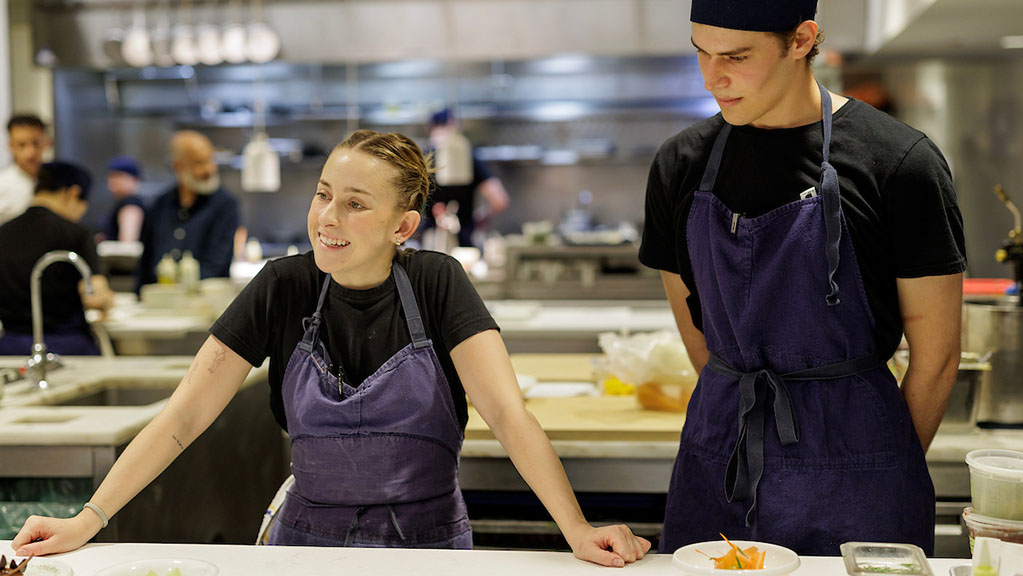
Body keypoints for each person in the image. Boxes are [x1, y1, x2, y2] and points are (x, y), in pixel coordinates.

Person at [12, 130, 651, 565]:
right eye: (322, 195)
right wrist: (86, 521)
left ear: (403, 226)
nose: (327, 218)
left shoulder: (437, 283)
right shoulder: (281, 286)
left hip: (428, 549)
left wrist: (576, 529)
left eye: (354, 205)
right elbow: (183, 418)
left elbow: (510, 417)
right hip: (303, 547)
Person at [639, 0, 966, 557]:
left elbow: (936, 356)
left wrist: (876, 461)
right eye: (702, 53)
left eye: (736, 57)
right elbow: (699, 334)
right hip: (719, 459)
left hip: (859, 473)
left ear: (800, 40)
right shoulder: (680, 165)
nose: (713, 77)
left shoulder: (901, 163)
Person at [0, 161, 115, 356]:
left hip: (9, 348)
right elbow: (94, 297)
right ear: (73, 194)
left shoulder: (3, 233)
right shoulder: (76, 234)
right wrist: (108, 300)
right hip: (67, 347)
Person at [136, 130, 240, 288]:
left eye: (211, 160)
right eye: (199, 162)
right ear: (177, 166)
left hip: (203, 302)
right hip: (157, 302)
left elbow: (216, 264)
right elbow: (145, 261)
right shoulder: (160, 205)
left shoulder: (225, 205)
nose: (209, 170)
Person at [422, 108, 509, 248]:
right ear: (456, 127)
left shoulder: (424, 158)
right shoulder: (469, 157)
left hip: (431, 241)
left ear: (430, 128)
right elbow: (500, 201)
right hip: (464, 241)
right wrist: (480, 217)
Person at [0, 114, 51, 226]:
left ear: (46, 142)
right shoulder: (2, 186)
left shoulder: (57, 181)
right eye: (21, 145)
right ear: (10, 146)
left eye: (36, 143)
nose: (30, 153)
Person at [101, 155, 146, 243]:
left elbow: (127, 244)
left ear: (134, 179)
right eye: (112, 176)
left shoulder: (131, 206)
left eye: (119, 176)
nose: (113, 181)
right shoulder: (122, 203)